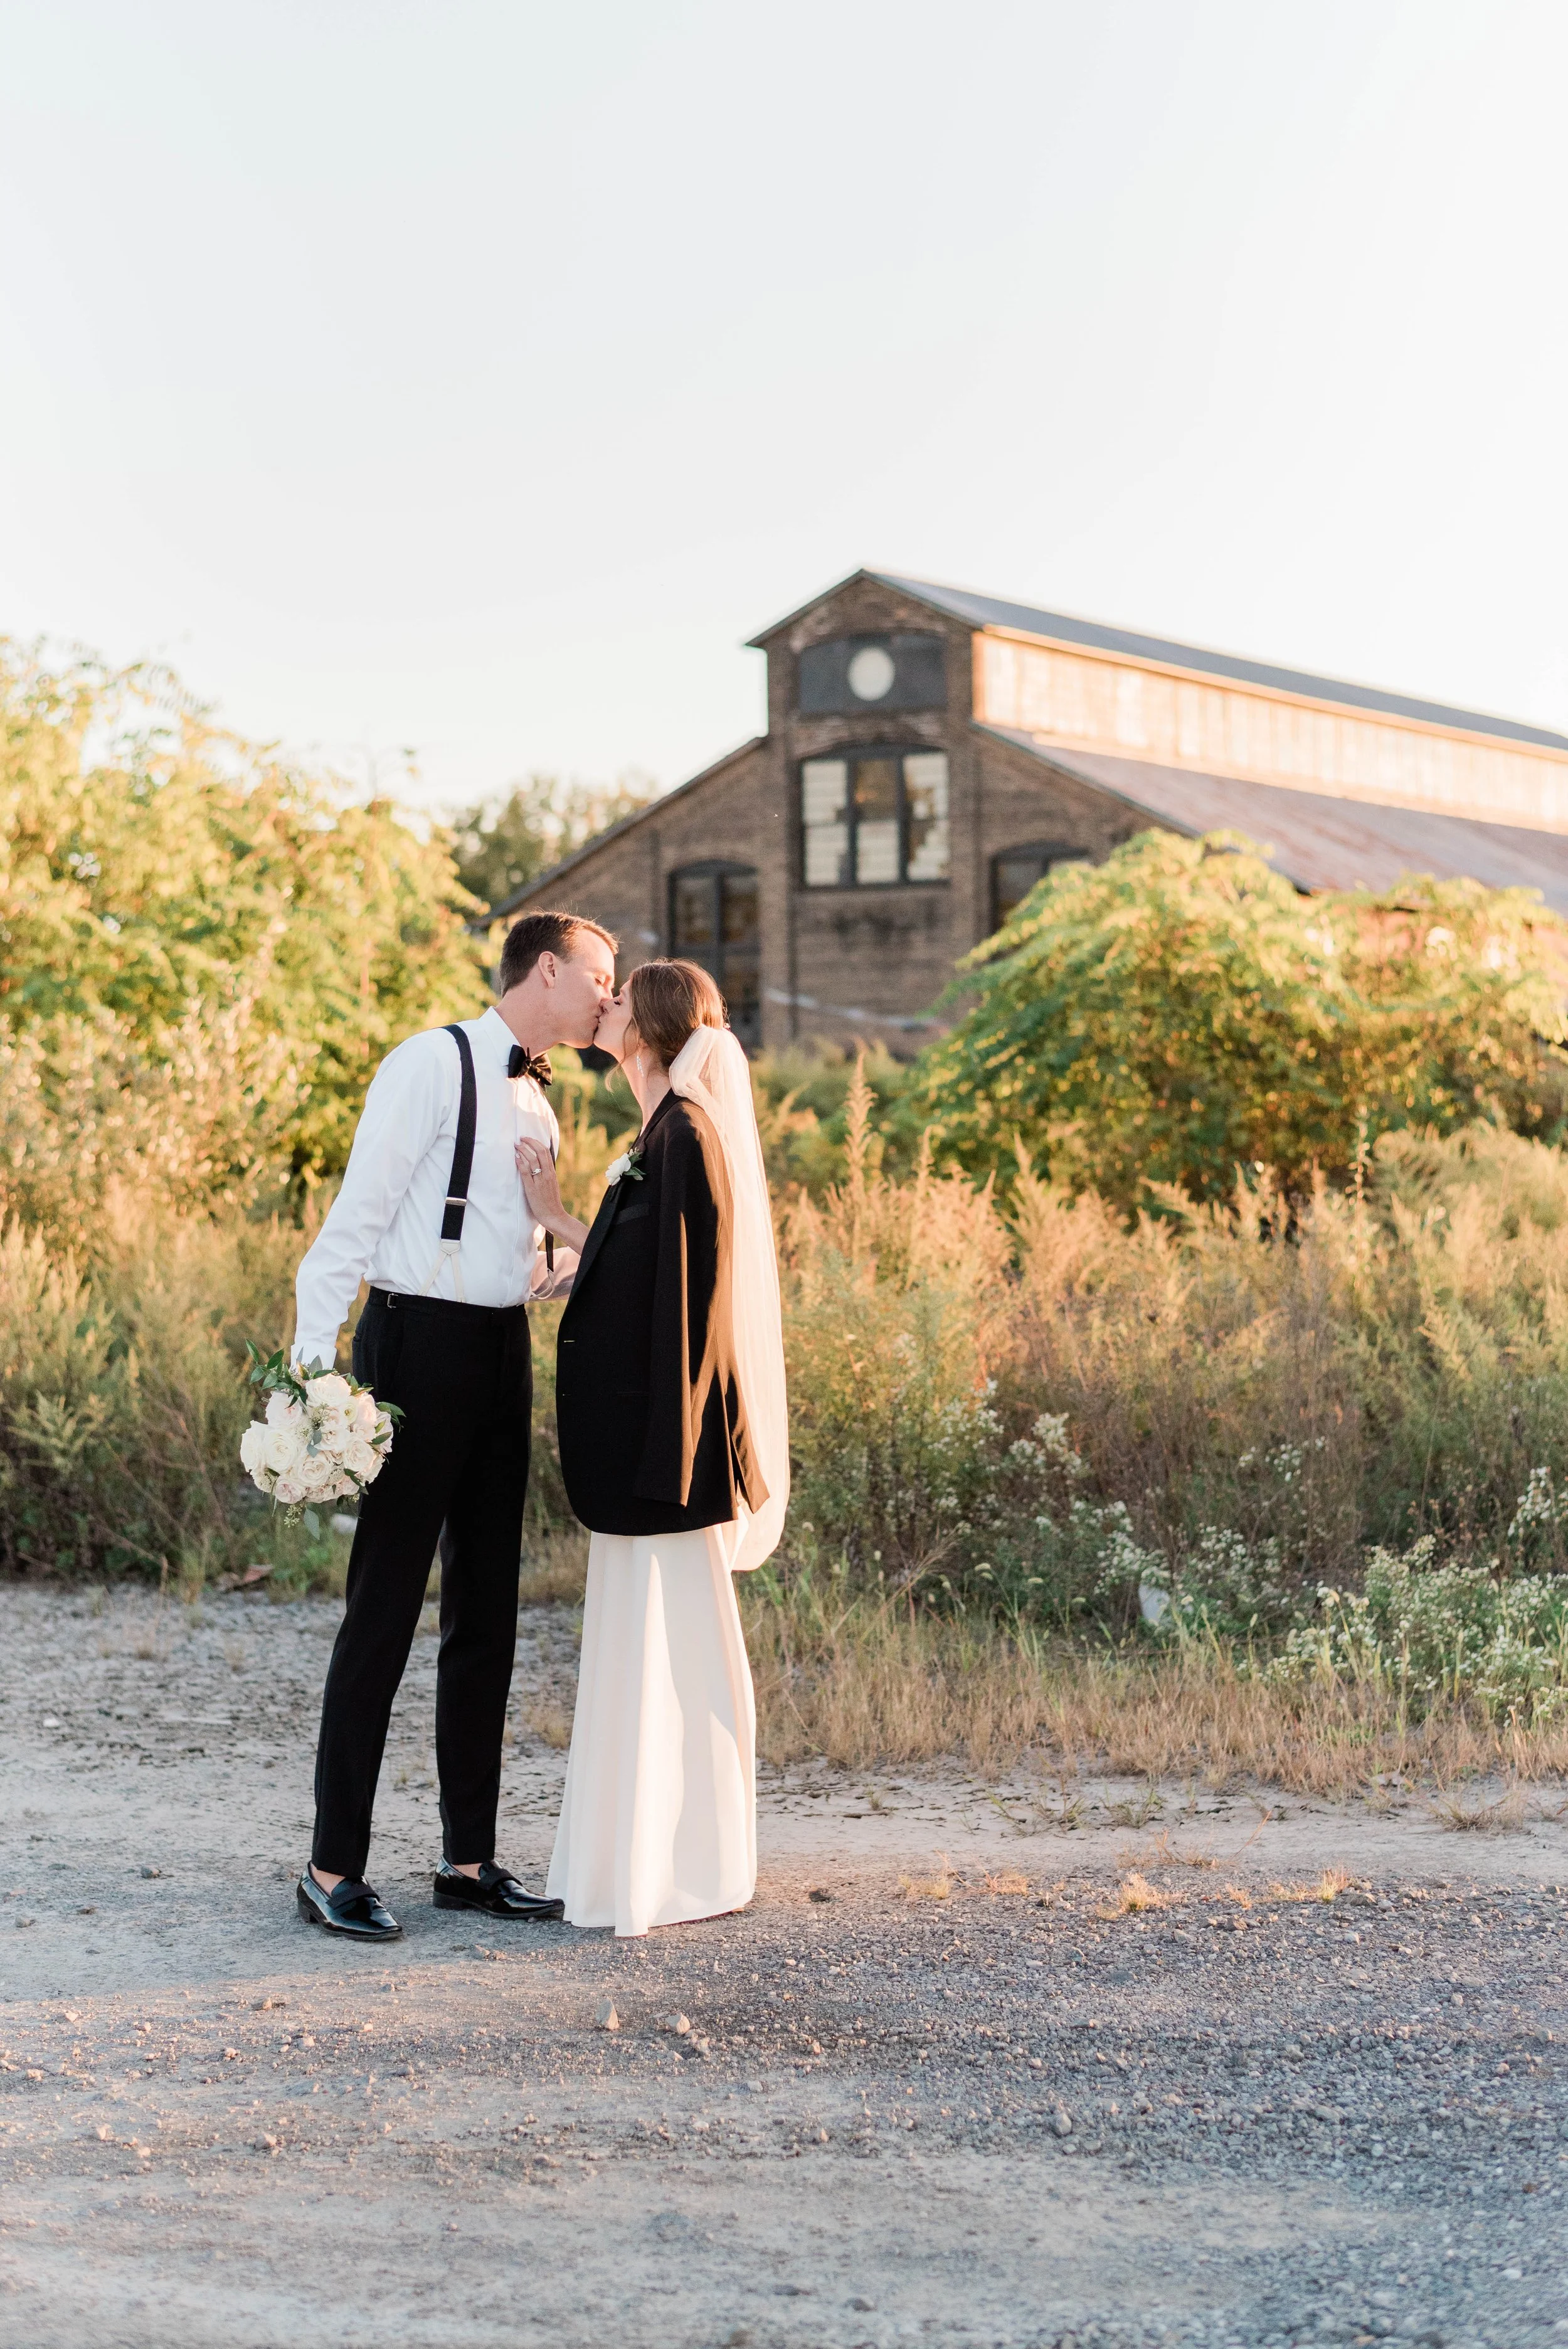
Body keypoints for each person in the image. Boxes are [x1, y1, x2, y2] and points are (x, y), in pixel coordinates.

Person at [290, 910, 617, 1942]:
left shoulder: (541, 1097)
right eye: (600, 978)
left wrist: (560, 1268)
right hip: (412, 1348)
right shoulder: (430, 1064)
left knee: (489, 1606)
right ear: (549, 969)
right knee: (384, 1605)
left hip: (498, 1348)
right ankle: (330, 1865)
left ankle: (466, 1861)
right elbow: (356, 1219)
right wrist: (310, 1377)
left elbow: (503, 1250)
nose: (611, 997)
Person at [516, 958, 789, 1937]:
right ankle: (648, 1857)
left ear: (650, 1027)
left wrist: (669, 1460)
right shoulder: (663, 1127)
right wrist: (559, 1234)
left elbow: (685, 1303)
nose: (607, 1003)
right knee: (648, 1649)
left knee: (673, 1647)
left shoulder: (685, 1132)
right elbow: (642, 1274)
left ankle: (675, 1865)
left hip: (661, 1456)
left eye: (620, 999)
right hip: (648, 1451)